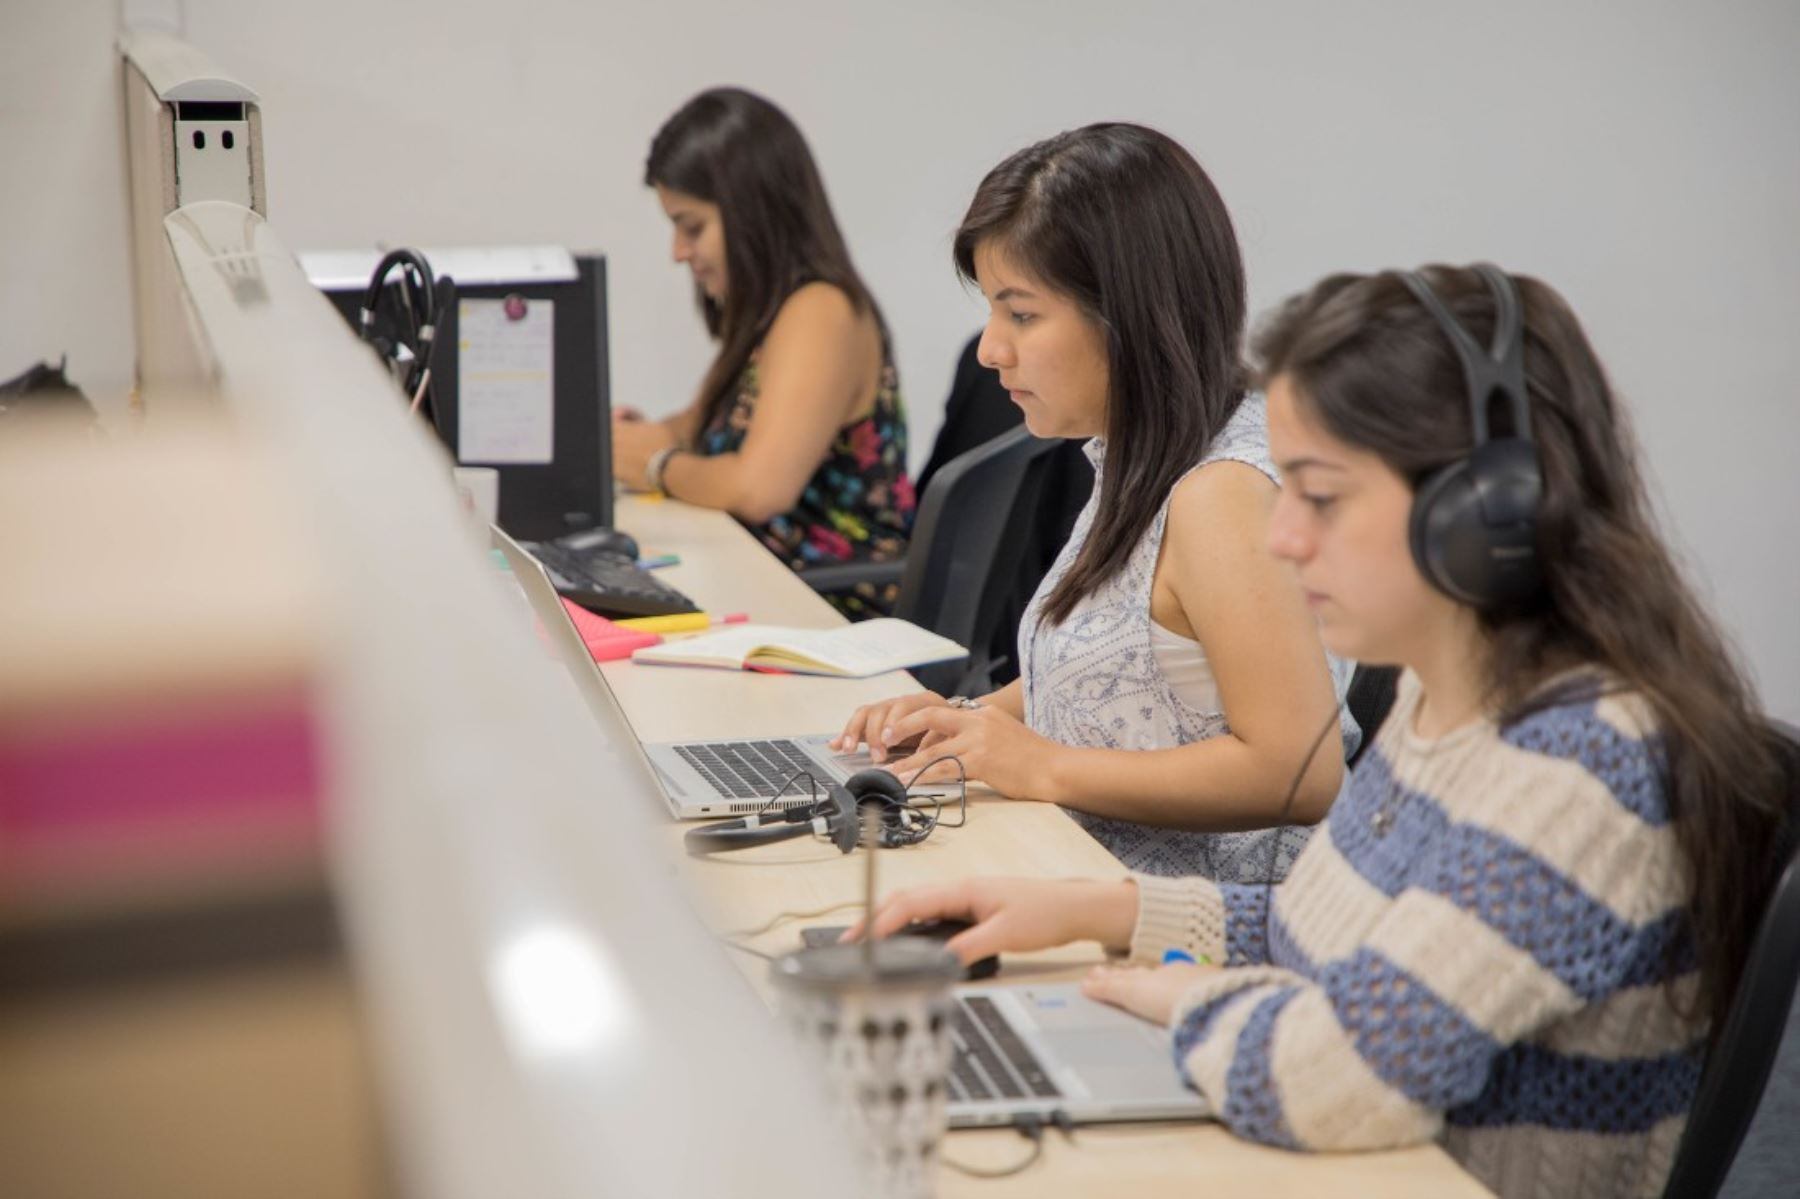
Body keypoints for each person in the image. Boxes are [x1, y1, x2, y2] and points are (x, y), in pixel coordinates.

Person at [852, 264, 1791, 1199]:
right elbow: (1331, 938)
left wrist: (1186, 998)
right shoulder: (1450, 702)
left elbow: (1331, 1081)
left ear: (1486, 511)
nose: (1285, 539)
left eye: (1321, 496)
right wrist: (1108, 913)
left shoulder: (1581, 764)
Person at [834, 124, 1355, 880]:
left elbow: (1298, 774)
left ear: (1130, 316)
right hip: (1088, 882)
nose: (989, 349)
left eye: (1021, 313)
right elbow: (1126, 667)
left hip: (1201, 934)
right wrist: (977, 723)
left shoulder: (1222, 497)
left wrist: (1042, 765)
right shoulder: (1139, 455)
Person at [613, 87, 914, 618]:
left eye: (692, 228)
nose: (679, 252)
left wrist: (655, 464)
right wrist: (638, 438)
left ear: (752, 212)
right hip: (776, 588)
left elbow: (760, 489)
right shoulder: (773, 313)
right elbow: (709, 420)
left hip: (828, 607)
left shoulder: (821, 311)